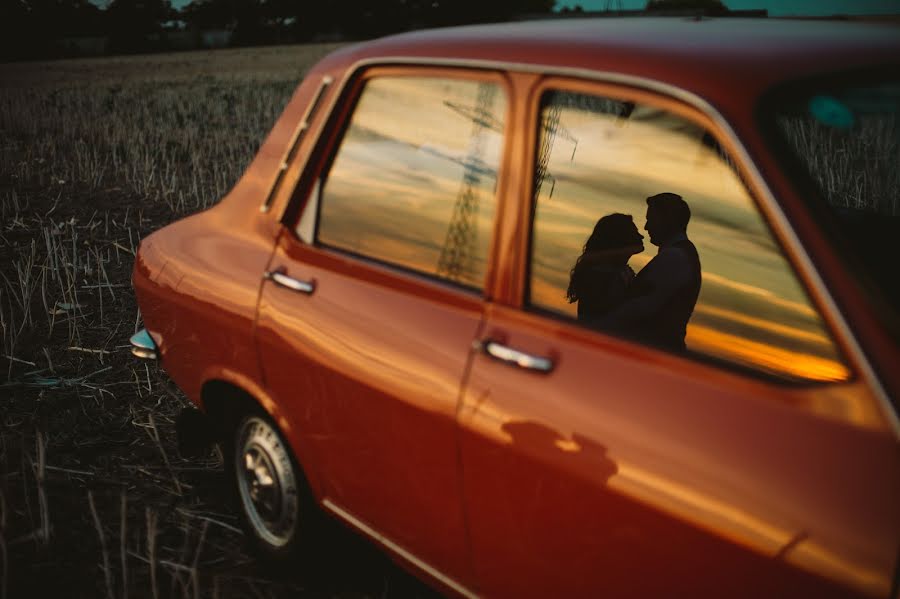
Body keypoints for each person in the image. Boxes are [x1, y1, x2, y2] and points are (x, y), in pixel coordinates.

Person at [600, 192, 701, 351]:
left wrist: (598, 330)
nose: (646, 227)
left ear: (667, 220)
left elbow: (636, 309)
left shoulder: (674, 258)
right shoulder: (680, 255)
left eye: (650, 219)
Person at [567, 213, 644, 322]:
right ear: (619, 238)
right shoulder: (599, 276)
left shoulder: (618, 271)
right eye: (634, 232)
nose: (641, 236)